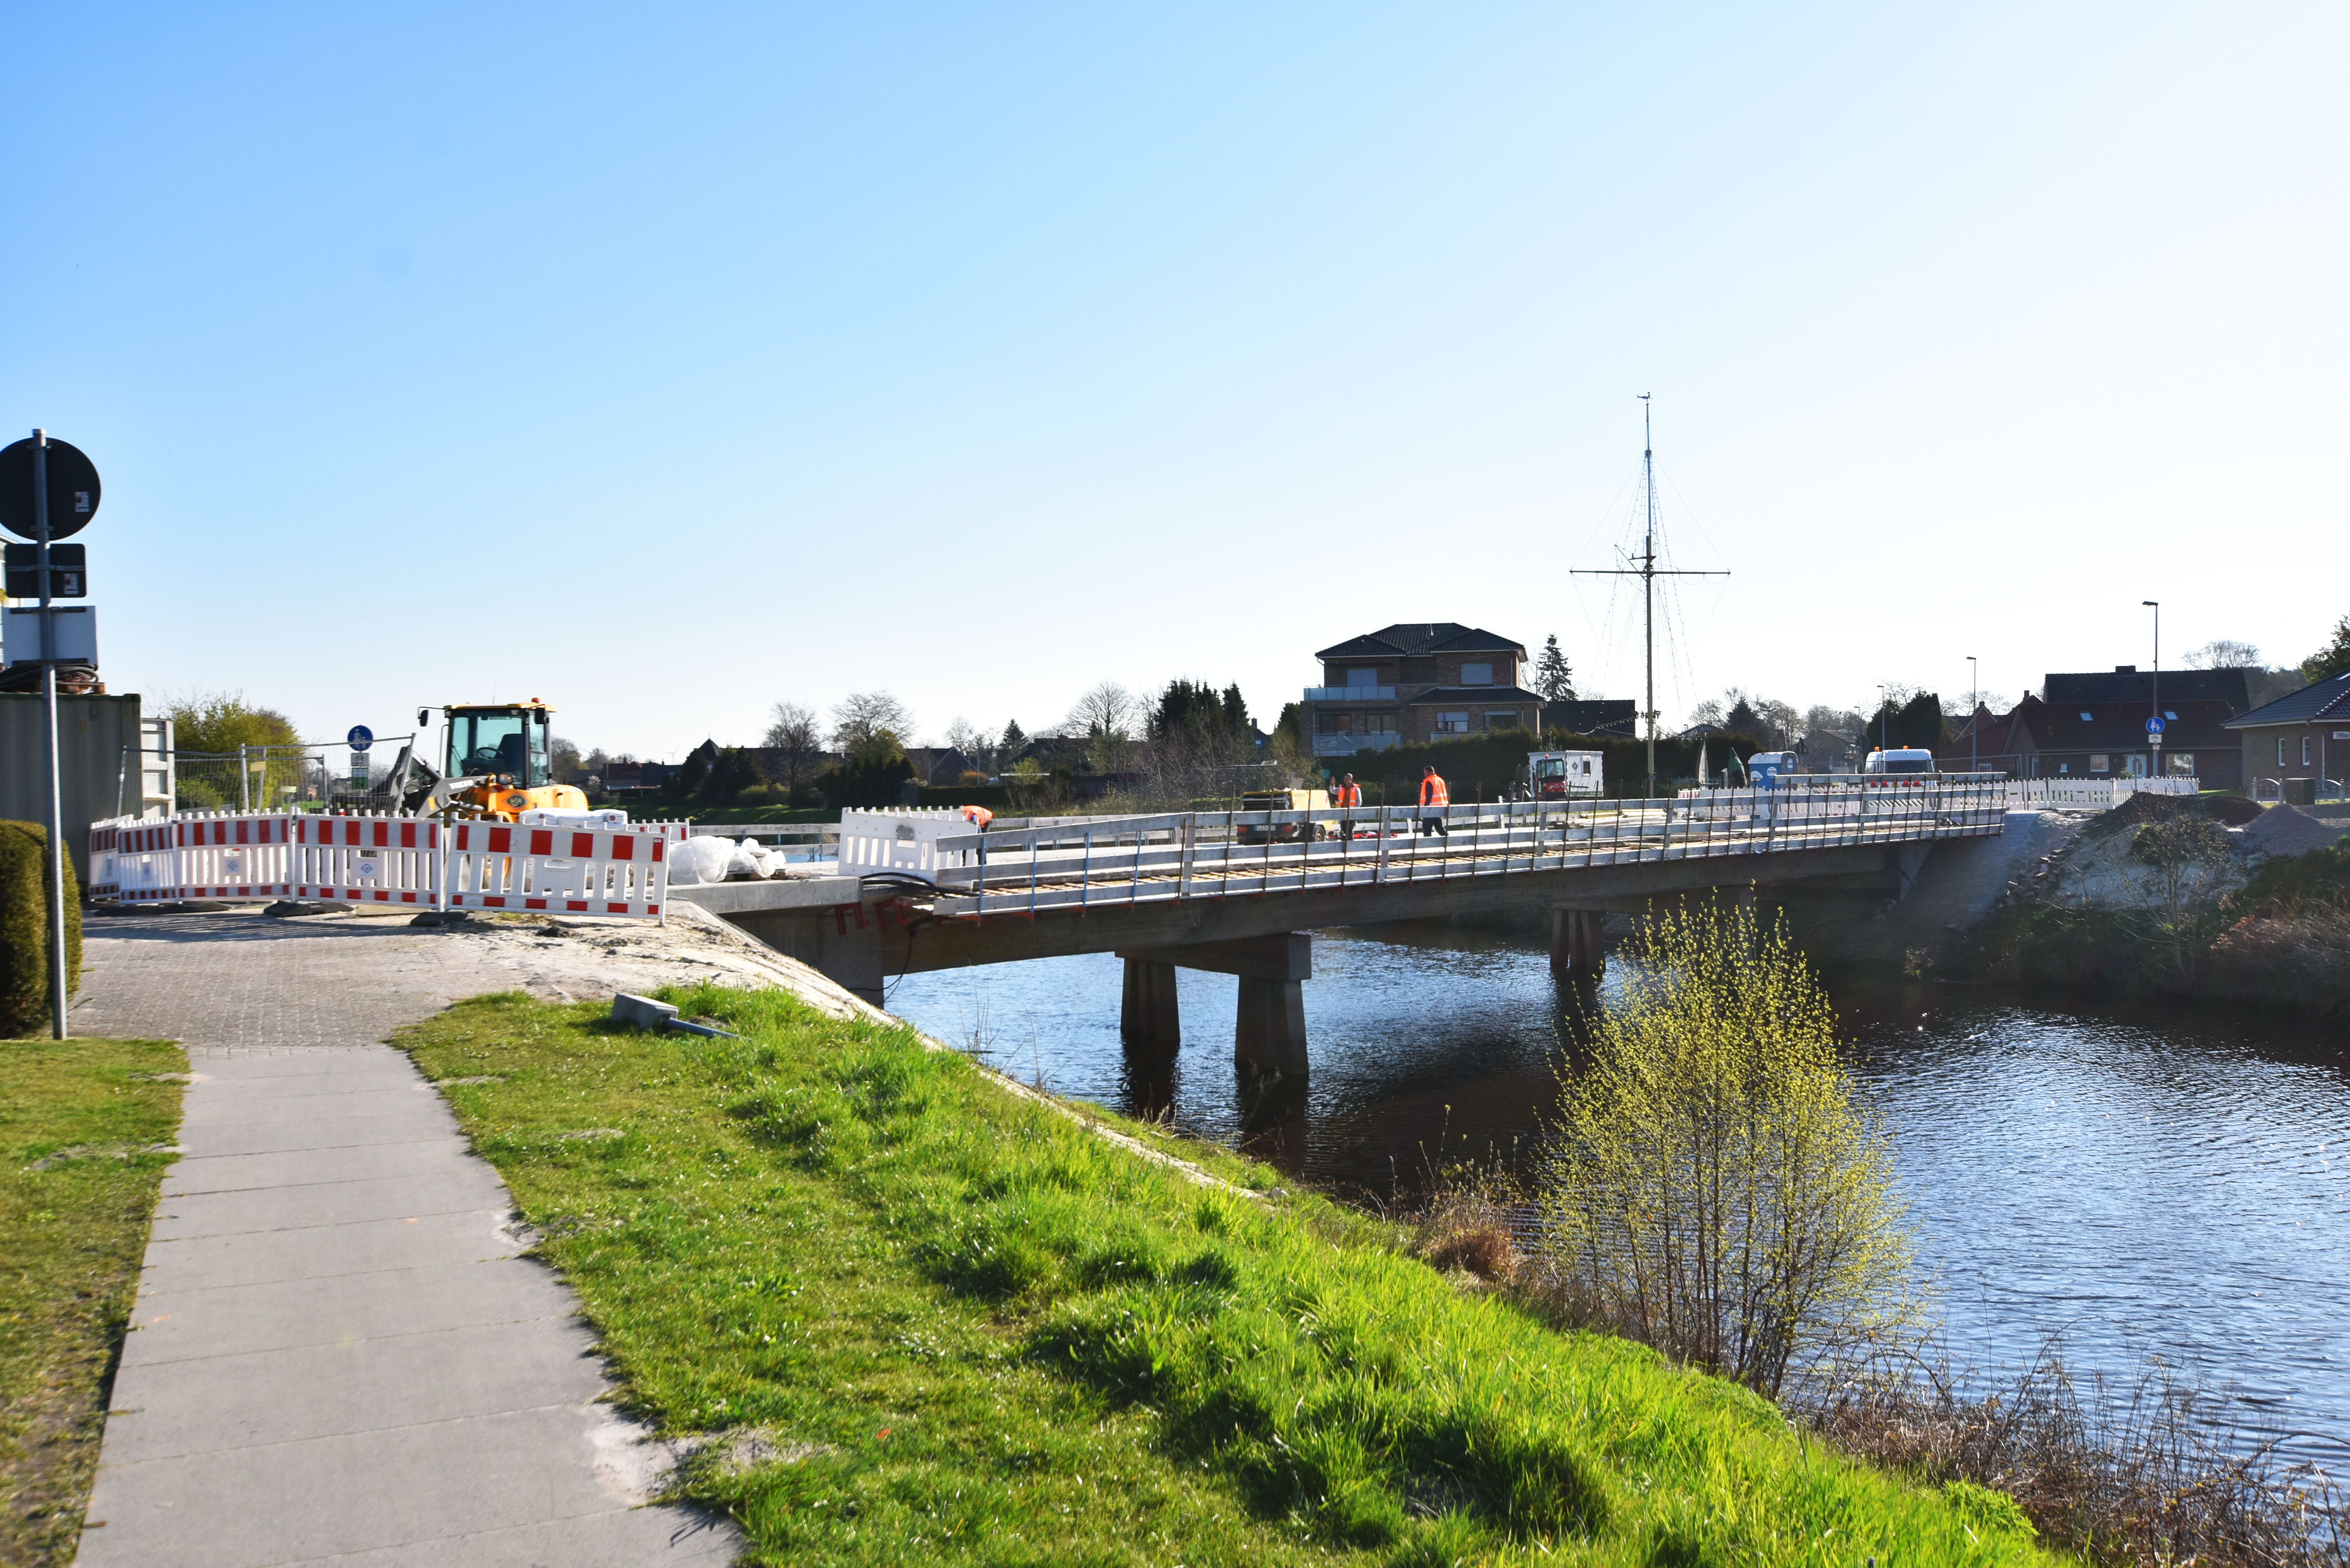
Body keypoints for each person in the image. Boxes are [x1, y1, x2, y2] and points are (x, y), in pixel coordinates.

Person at [1418, 765, 1449, 837]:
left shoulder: (1430, 781)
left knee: (1427, 827)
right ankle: (1448, 841)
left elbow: (1429, 795)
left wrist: (1426, 807)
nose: (1425, 774)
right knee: (1439, 827)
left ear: (1431, 772)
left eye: (1426, 773)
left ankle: (1427, 844)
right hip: (1440, 807)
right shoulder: (1440, 780)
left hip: (1431, 808)